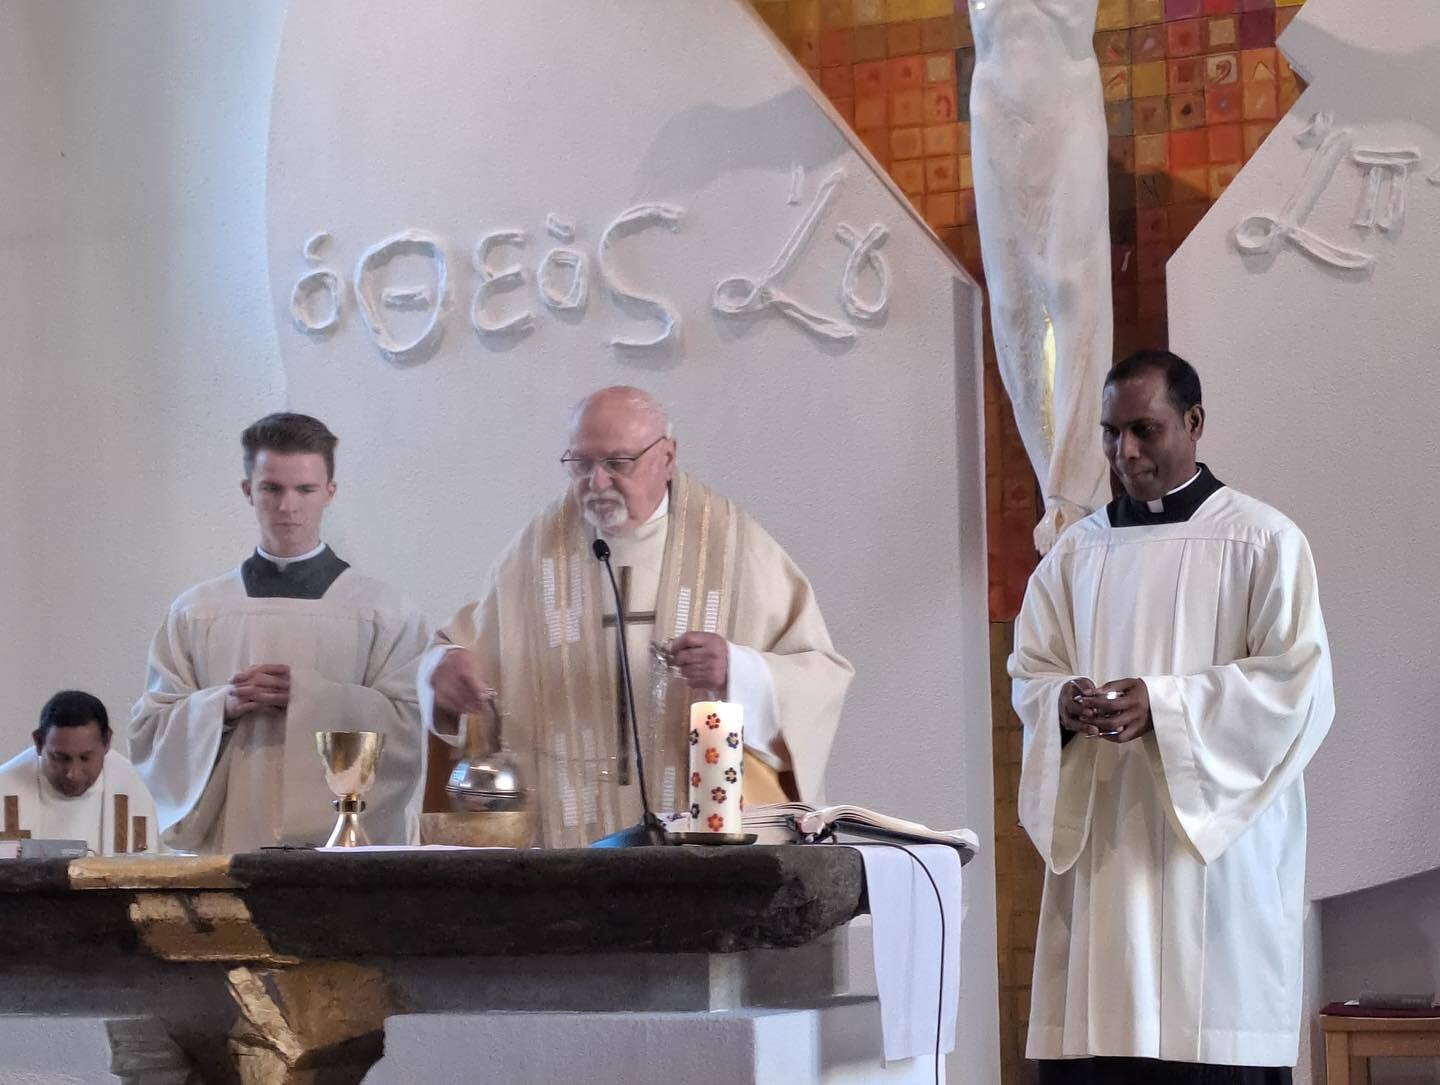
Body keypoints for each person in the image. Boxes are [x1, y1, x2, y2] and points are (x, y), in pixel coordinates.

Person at [1009, 350, 1334, 1083]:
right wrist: (1060, 703)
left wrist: (1164, 706)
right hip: (1105, 864)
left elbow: (1298, 687)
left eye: (1145, 430)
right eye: (1110, 432)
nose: (1124, 452)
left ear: (1193, 423)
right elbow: (1030, 671)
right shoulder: (1075, 554)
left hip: (1215, 879)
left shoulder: (1263, 541)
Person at [420, 385, 852, 847]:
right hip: (562, 846)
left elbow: (821, 673)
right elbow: (457, 650)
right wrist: (442, 673)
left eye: (617, 463)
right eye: (581, 463)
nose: (597, 482)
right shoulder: (535, 554)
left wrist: (739, 671)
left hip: (705, 856)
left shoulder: (735, 551)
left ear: (667, 457)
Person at [130, 413, 430, 853]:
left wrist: (310, 697)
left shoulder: (384, 611)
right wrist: (221, 707)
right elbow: (150, 729)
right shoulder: (199, 611)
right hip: (232, 839)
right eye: (272, 488)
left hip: (343, 854)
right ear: (248, 490)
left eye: (305, 489)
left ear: (329, 491)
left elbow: (408, 729)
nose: (288, 507)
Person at [0, 690, 160, 855]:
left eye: (85, 758)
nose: (73, 774)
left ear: (106, 742)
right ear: (39, 742)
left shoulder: (144, 789)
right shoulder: (5, 786)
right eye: (61, 758)